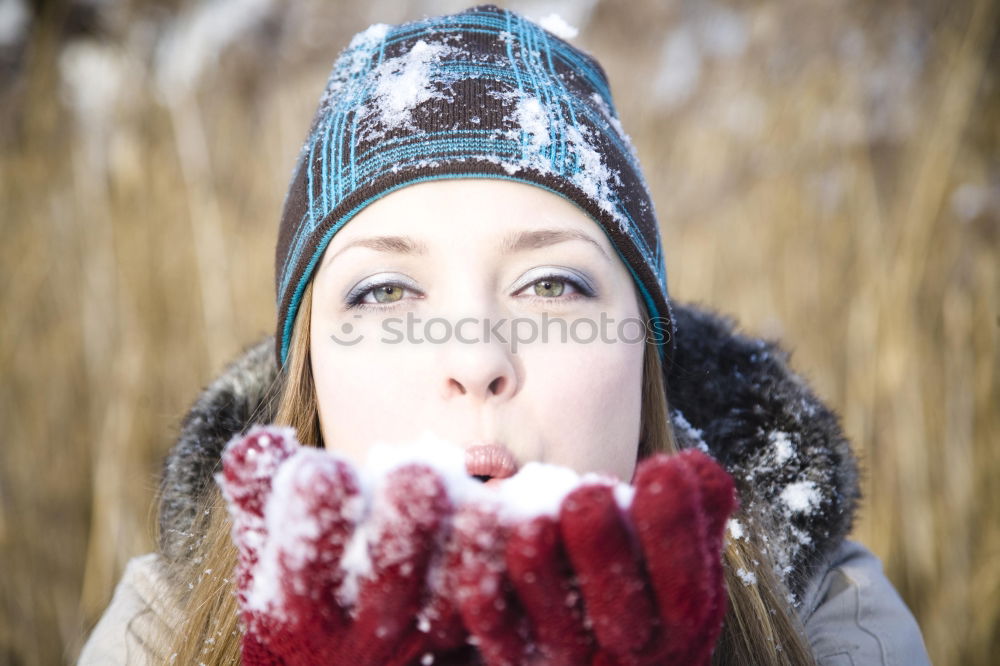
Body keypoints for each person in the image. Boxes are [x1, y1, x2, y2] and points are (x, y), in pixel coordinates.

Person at [79, 5, 930, 665]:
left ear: (643, 356)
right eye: (384, 292)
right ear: (309, 372)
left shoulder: (832, 621)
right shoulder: (162, 628)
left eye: (552, 285)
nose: (477, 360)